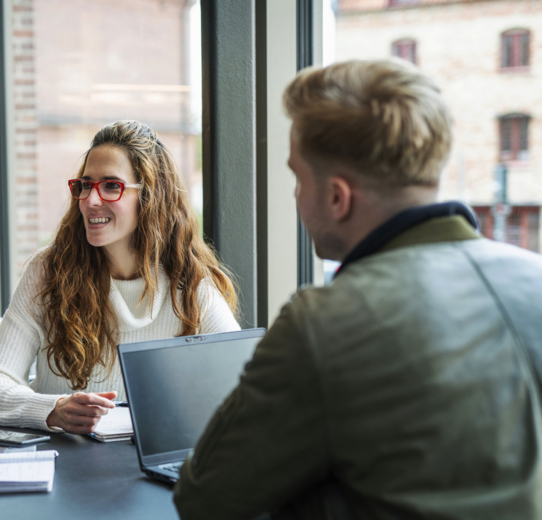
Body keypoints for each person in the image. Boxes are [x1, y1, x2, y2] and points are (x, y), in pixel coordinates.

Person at [174, 59, 542, 519]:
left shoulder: (324, 323)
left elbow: (206, 500)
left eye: (297, 177)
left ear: (337, 197)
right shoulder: (534, 278)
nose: (295, 196)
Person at [0, 120, 240, 434]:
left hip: (147, 469)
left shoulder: (191, 284)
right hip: (67, 465)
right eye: (85, 185)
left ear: (151, 197)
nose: (90, 200)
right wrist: (53, 410)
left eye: (111, 185)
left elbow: (242, 388)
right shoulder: (48, 271)